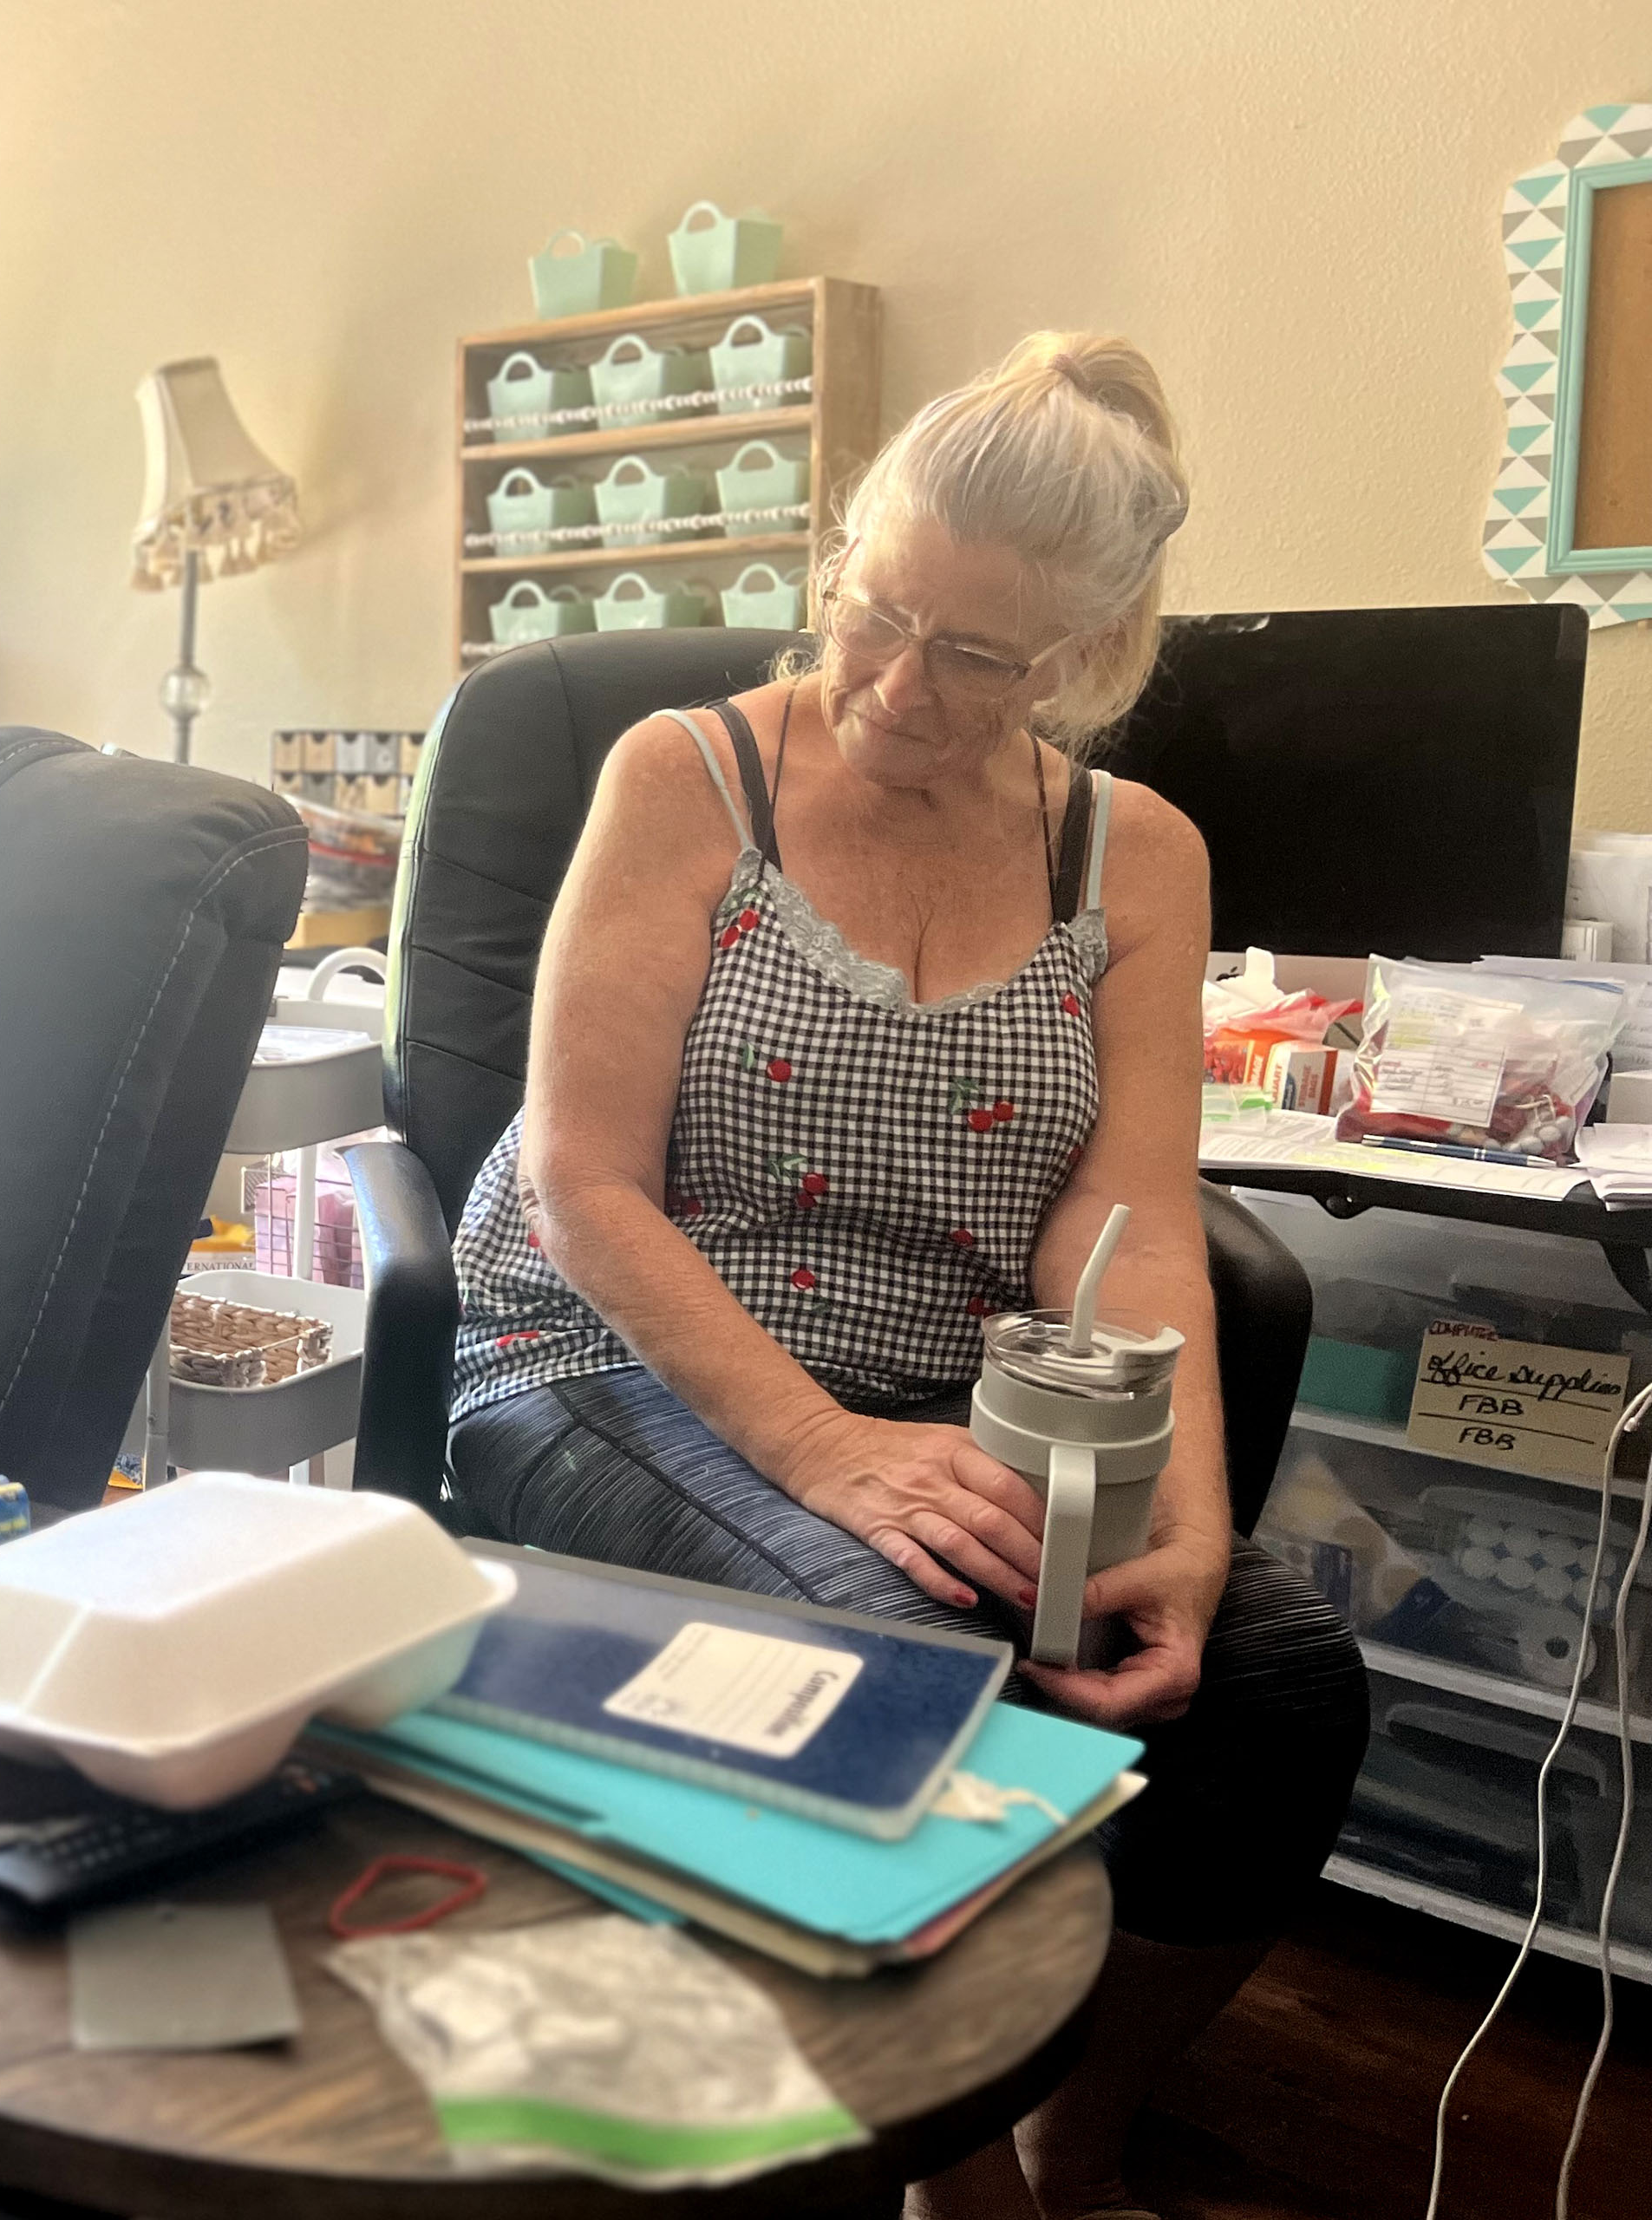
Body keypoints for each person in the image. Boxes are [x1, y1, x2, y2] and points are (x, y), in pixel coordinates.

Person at [447, 332, 1368, 2220]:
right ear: (846, 555)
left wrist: (1183, 1525)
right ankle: (894, 2166)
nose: (892, 683)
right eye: (875, 610)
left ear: (1095, 663)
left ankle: (1058, 2132)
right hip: (606, 1347)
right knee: (923, 1657)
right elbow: (581, 1184)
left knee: (1275, 1684)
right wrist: (820, 1448)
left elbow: (1125, 1232)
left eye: (977, 657)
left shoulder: (1140, 852)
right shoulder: (684, 776)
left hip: (935, 1390)